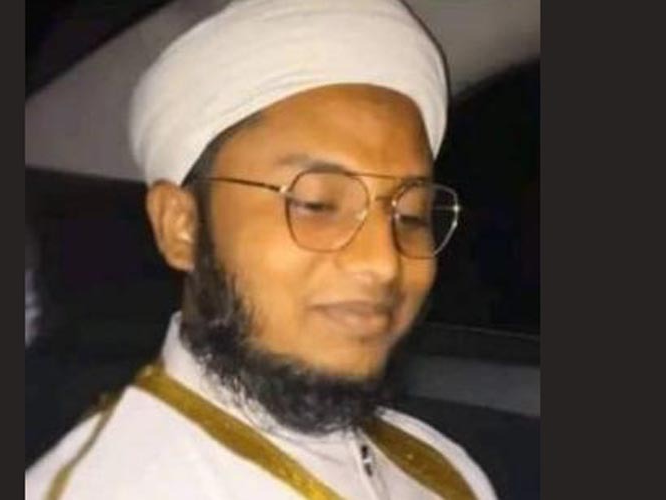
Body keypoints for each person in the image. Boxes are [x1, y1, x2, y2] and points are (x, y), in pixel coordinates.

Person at [26, 0, 497, 498]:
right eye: (316, 204)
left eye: (410, 215)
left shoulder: (443, 469)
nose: (383, 262)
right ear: (182, 226)